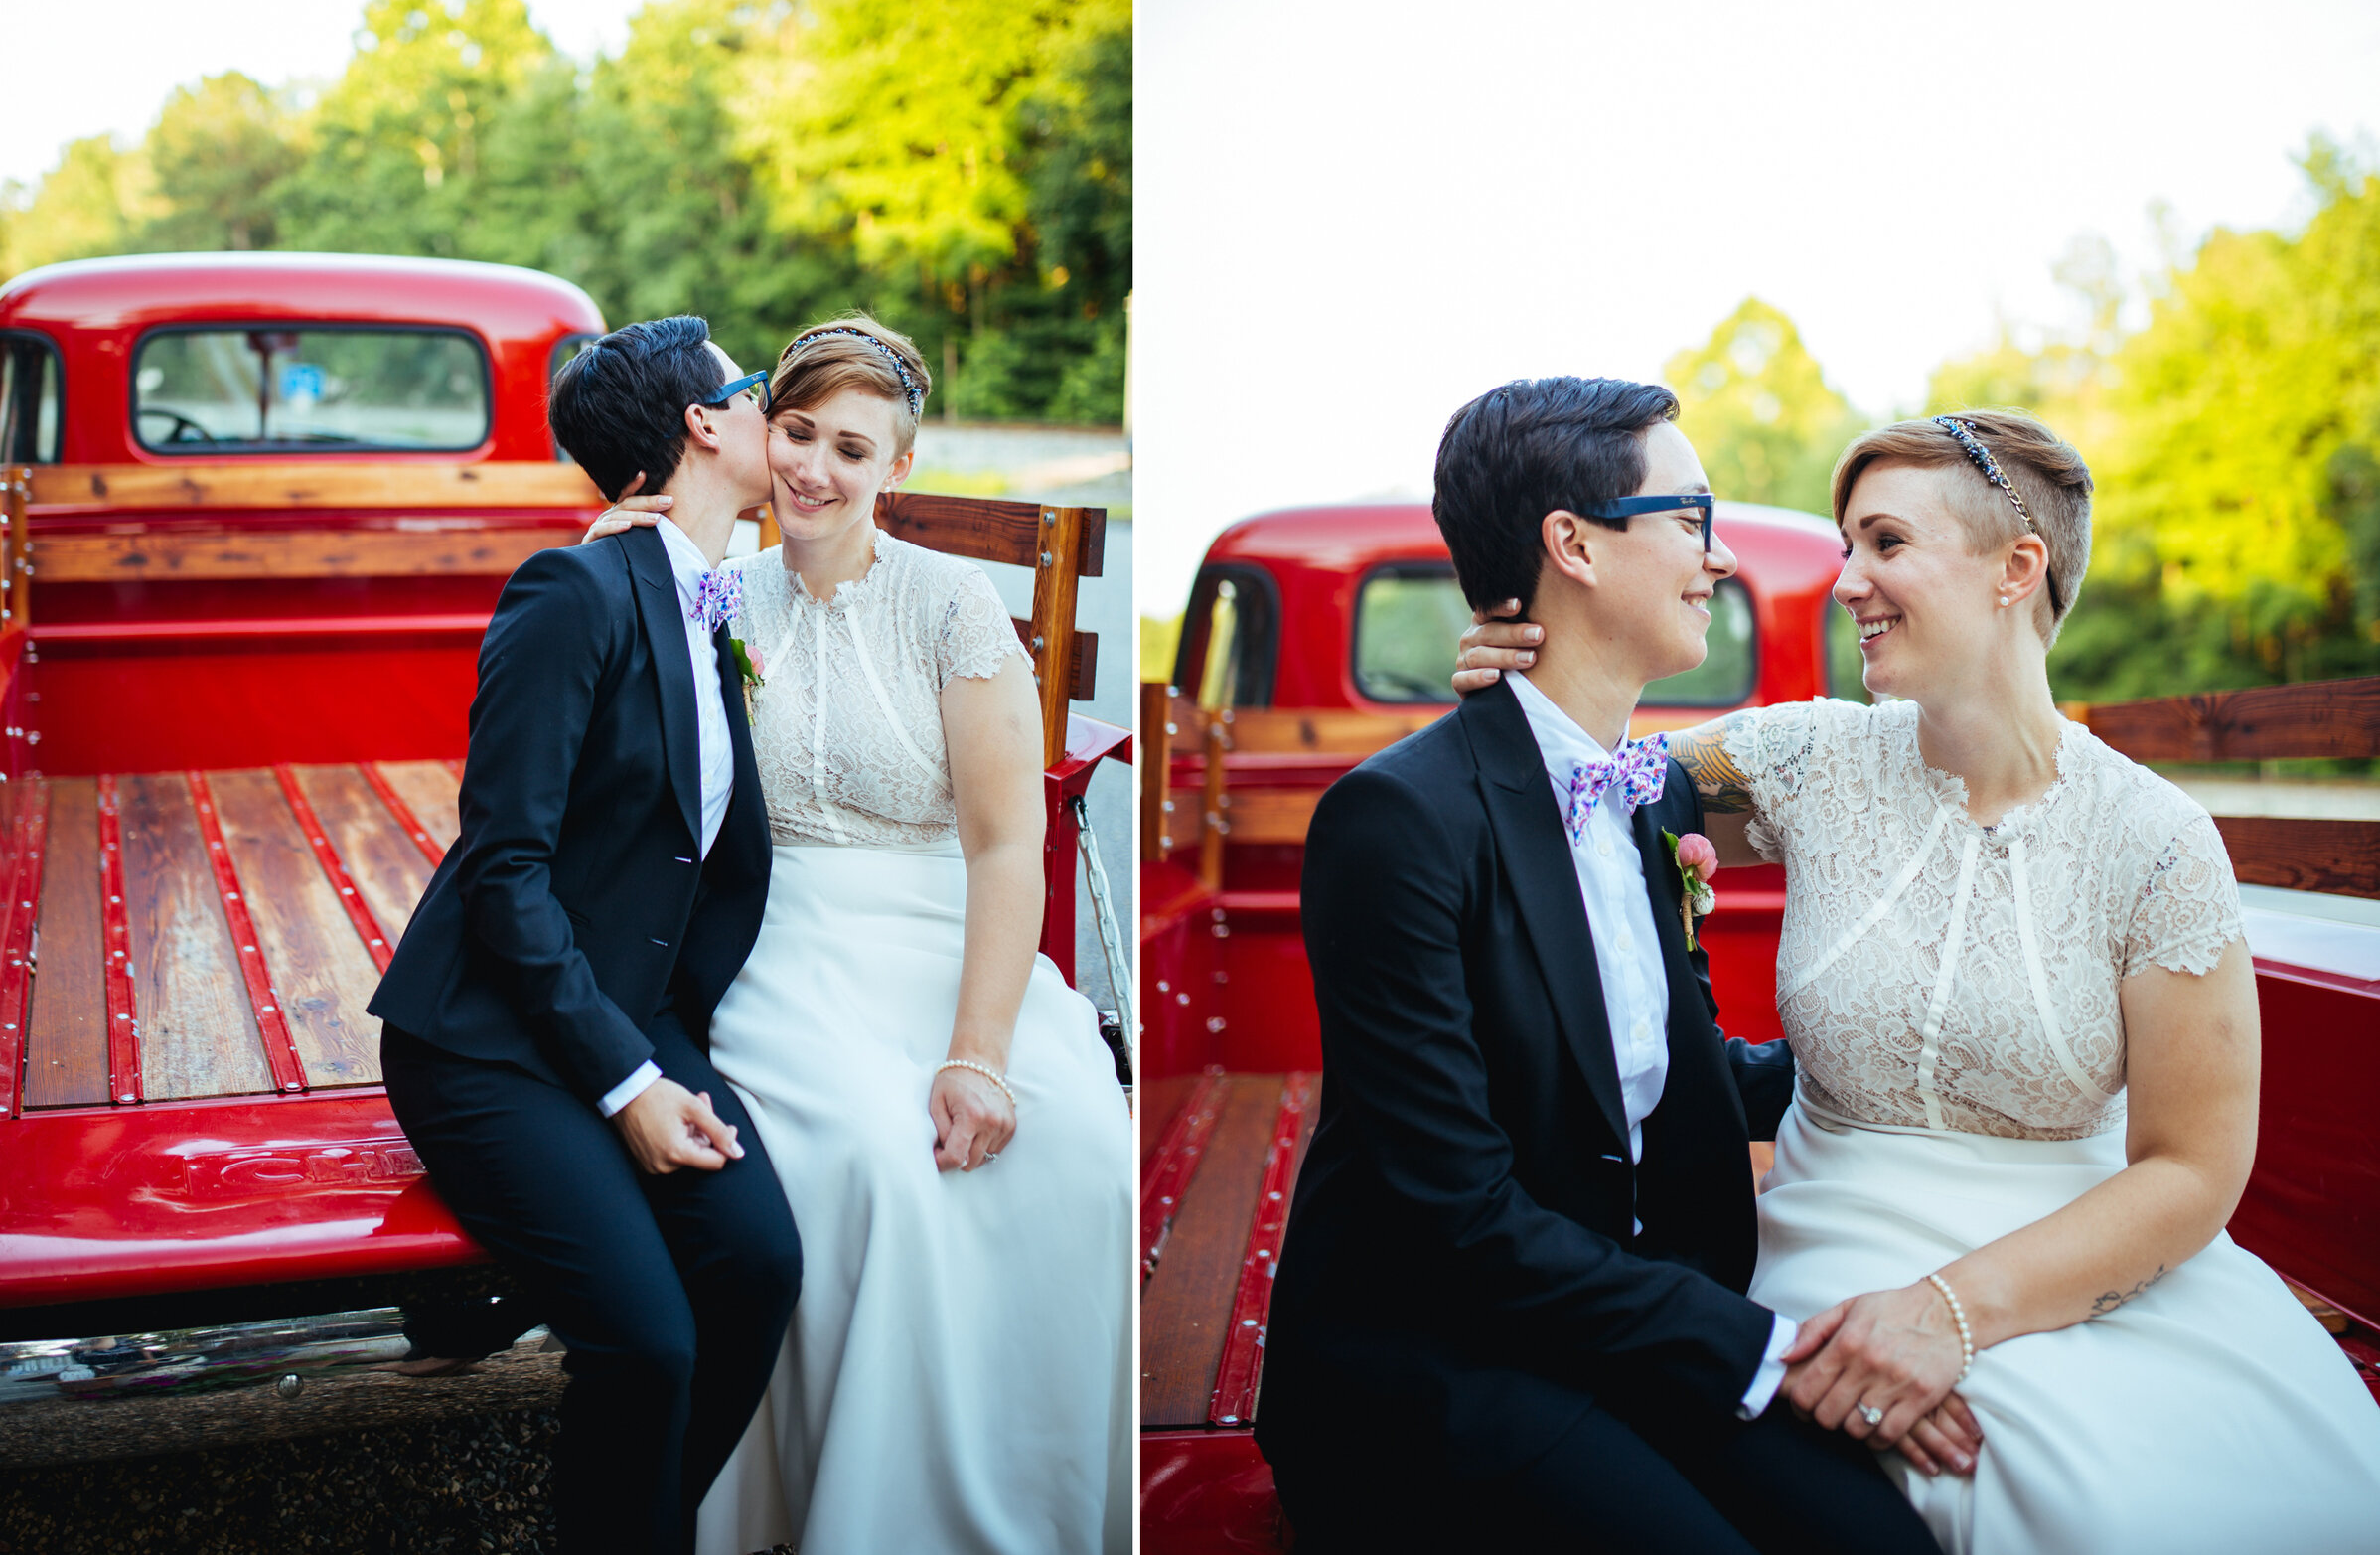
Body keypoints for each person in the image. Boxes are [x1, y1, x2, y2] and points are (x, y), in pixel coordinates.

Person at [1454, 408, 2380, 1551]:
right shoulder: (1808, 761)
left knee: (2244, 1497)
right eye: (1845, 547)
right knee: (2038, 1503)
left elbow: (2193, 1167)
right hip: (1840, 1235)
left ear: (2016, 569)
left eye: (1885, 544)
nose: (1847, 582)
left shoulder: (2155, 840)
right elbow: (1580, 786)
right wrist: (1512, 691)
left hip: (2084, 1253)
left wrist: (1953, 1312)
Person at [1257, 377, 1953, 1554]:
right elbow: (1453, 1217)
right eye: (1691, 517)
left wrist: (1914, 1061)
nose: (1719, 559)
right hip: (1436, 1354)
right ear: (1571, 543)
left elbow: (1672, 1072)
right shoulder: (1396, 822)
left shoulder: (1648, 791)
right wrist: (1770, 1346)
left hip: (1615, 1322)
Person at [591, 317, 1133, 1555]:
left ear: (896, 466)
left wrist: (977, 1051)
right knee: (869, 1167)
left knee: (1086, 1151)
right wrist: (612, 551)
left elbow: (1007, 845)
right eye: (794, 432)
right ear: (755, 433)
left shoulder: (952, 605)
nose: (814, 470)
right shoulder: (712, 587)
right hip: (776, 940)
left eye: (851, 446)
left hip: (946, 926)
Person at [371, 315, 803, 1555]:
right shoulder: (572, 593)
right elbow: (503, 867)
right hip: (489, 1040)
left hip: (637, 1009)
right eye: (756, 390)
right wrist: (627, 1087)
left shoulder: (708, 590)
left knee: (759, 1270)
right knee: (649, 1342)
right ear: (703, 428)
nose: (772, 405)